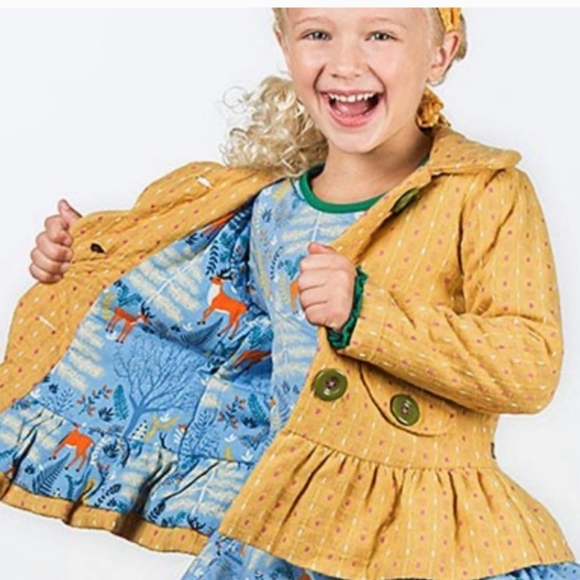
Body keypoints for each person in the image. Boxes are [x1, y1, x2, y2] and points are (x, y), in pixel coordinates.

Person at [0, 7, 578, 580]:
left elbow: (529, 364)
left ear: (440, 52)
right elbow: (199, 337)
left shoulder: (483, 193)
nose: (345, 63)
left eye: (380, 34)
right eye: (317, 33)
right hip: (292, 531)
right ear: (284, 44)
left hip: (435, 538)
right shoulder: (268, 210)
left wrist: (366, 314)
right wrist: (86, 262)